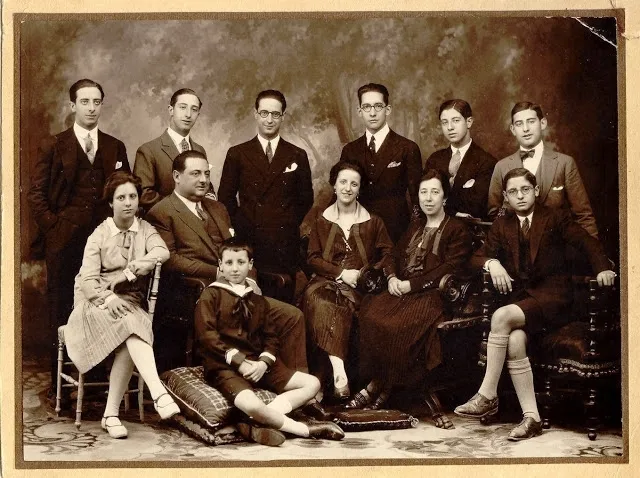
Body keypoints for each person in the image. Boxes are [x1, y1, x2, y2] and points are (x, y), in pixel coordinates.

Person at [454, 168, 615, 441]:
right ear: (505, 197)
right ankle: (532, 418)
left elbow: (588, 242)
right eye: (513, 192)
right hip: (525, 302)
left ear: (536, 190)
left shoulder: (555, 217)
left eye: (525, 189)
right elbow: (475, 259)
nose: (520, 195)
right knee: (515, 341)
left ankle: (487, 394)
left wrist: (603, 269)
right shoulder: (502, 224)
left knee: (501, 317)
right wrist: (492, 263)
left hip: (556, 299)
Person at [147, 150, 310, 387]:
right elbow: (171, 260)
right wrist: (216, 273)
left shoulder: (218, 208)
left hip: (241, 290)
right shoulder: (162, 212)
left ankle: (292, 383)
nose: (203, 180)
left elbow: (238, 250)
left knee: (292, 316)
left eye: (206, 174)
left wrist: (250, 280)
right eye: (195, 174)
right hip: (201, 294)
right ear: (176, 176)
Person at [28, 78, 130, 391]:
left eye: (96, 102)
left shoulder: (114, 146)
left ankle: (96, 376)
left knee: (100, 300)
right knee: (62, 304)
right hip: (64, 240)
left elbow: (125, 190)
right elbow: (35, 194)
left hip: (102, 241)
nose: (91, 108)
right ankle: (59, 385)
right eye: (84, 102)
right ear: (73, 106)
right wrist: (55, 227)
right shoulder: (53, 144)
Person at [348, 169, 473, 424]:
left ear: (444, 198)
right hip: (404, 289)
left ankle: (378, 385)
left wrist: (411, 286)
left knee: (398, 324)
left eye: (435, 192)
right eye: (423, 192)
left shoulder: (457, 229)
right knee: (370, 311)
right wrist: (392, 278)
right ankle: (384, 381)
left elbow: (449, 268)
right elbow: (393, 255)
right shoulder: (415, 225)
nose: (428, 198)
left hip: (434, 295)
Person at [194, 237, 345, 446]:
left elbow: (271, 337)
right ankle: (304, 430)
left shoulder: (257, 299)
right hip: (225, 366)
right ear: (220, 265)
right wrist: (240, 362)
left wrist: (263, 363)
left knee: (312, 383)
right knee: (252, 405)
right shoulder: (210, 295)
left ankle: (255, 423)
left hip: (258, 364)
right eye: (228, 263)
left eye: (241, 262)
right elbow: (207, 337)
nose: (235, 269)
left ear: (250, 265)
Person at [62, 172, 180, 439]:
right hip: (95, 304)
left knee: (131, 329)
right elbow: (88, 282)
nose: (128, 203)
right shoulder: (99, 235)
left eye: (132, 197)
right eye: (121, 198)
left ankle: (111, 414)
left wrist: (136, 267)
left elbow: (162, 252)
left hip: (129, 303)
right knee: (133, 325)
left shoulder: (144, 229)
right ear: (111, 203)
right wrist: (109, 298)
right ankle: (157, 393)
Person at [301, 161, 394, 402]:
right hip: (324, 282)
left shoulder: (374, 221)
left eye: (354, 184)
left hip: (360, 288)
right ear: (334, 185)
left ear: (360, 189)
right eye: (343, 182)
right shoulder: (321, 219)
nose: (347, 188)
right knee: (322, 302)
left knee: (345, 306)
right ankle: (339, 372)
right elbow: (312, 258)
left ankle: (322, 381)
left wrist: (365, 274)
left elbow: (388, 254)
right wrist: (342, 273)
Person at [218, 90, 314, 302]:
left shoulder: (297, 154)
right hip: (249, 242)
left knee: (281, 306)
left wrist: (284, 222)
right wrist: (243, 225)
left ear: (283, 116)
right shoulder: (237, 153)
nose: (269, 120)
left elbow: (306, 198)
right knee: (246, 305)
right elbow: (225, 198)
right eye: (264, 113)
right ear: (256, 114)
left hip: (284, 245)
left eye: (275, 114)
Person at [487, 102, 598, 237]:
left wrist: (592, 248)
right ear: (513, 129)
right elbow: (494, 214)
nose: (525, 129)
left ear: (543, 123)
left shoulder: (564, 163)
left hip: (557, 245)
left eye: (531, 121)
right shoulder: (501, 167)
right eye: (519, 124)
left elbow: (584, 216)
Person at [338, 83, 422, 243]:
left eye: (378, 106)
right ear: (359, 111)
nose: (372, 113)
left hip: (396, 233)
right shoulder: (350, 150)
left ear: (387, 110)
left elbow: (417, 197)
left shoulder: (407, 148)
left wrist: (416, 235)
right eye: (367, 107)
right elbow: (340, 194)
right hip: (358, 231)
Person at [134, 88, 211, 214]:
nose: (188, 114)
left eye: (194, 109)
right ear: (171, 110)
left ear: (198, 114)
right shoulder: (148, 150)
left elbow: (205, 184)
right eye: (183, 107)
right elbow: (145, 195)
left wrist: (210, 198)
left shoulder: (199, 150)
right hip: (165, 220)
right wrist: (184, 209)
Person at [424, 99, 496, 220]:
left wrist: (441, 204)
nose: (450, 127)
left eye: (456, 120)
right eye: (444, 122)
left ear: (469, 122)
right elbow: (425, 199)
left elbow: (476, 206)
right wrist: (454, 211)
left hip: (469, 228)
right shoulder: (434, 160)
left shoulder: (486, 162)